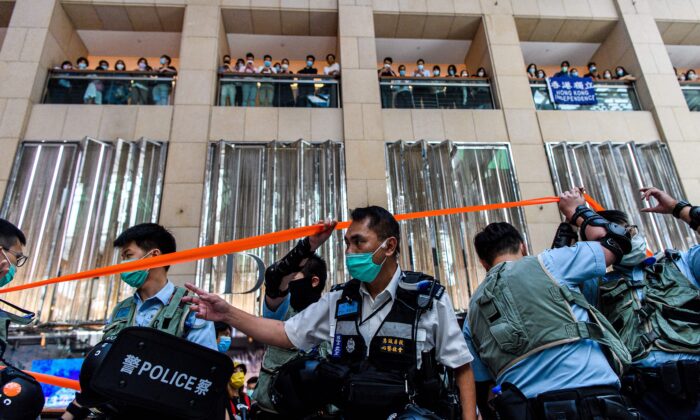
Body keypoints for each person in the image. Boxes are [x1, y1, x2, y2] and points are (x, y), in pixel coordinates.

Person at [184, 209, 478, 420]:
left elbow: (461, 367)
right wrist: (227, 313)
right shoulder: (340, 299)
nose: (350, 251)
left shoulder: (427, 298)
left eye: (359, 242)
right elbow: (284, 334)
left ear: (389, 246)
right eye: (347, 243)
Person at [464, 188, 637, 420]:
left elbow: (482, 384)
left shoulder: (472, 312)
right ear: (523, 246)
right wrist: (577, 210)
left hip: (526, 410)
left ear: (483, 263)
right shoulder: (549, 263)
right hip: (593, 400)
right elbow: (616, 242)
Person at [61, 223, 218, 419]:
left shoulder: (190, 308)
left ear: (154, 256)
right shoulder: (121, 310)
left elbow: (206, 376)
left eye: (128, 256)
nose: (122, 264)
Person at [579, 187, 699, 419]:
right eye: (607, 239)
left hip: (694, 385)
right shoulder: (594, 286)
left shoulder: (683, 265)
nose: (626, 239)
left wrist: (678, 208)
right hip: (640, 399)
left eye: (628, 231)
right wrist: (575, 219)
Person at [253, 232, 330, 417]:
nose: (287, 282)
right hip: (273, 411)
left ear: (314, 281)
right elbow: (275, 279)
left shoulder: (335, 315)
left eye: (293, 277)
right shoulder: (280, 311)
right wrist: (307, 246)